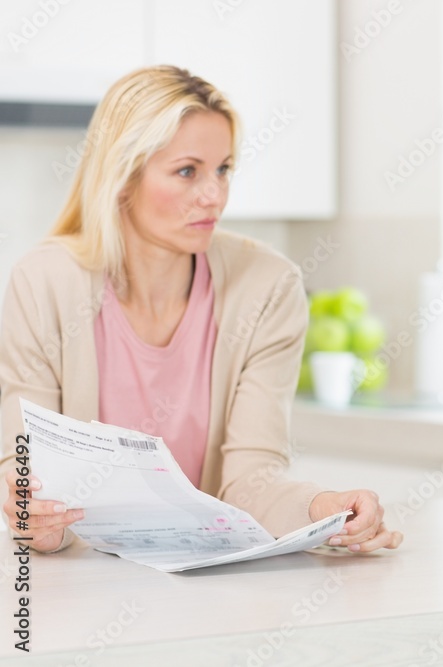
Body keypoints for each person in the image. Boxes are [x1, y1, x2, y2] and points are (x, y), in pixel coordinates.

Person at [0, 65, 403, 555]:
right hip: (81, 582)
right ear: (122, 178)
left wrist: (324, 508)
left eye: (223, 169)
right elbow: (24, 465)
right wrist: (32, 514)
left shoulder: (268, 288)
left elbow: (251, 480)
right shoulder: (43, 283)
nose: (214, 195)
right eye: (187, 171)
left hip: (206, 578)